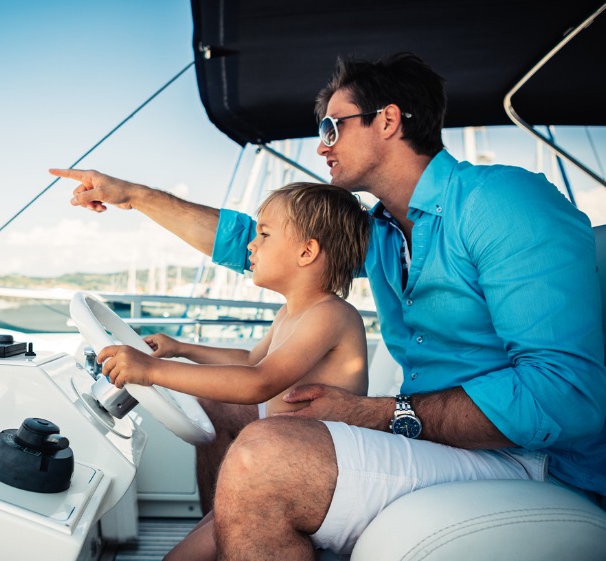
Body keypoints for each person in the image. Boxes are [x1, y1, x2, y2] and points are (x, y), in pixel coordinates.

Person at [51, 52, 606, 560]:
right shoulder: (388, 234)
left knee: (264, 454)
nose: (322, 145)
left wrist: (381, 414)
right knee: (223, 413)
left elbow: (569, 394)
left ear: (388, 121)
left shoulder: (501, 203)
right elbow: (253, 244)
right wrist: (133, 196)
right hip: (449, 441)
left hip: (534, 460)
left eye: (332, 127)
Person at [94, 182, 370, 560]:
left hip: (309, 474)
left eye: (264, 234)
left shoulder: (329, 315)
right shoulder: (293, 311)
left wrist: (152, 371)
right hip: (283, 461)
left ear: (307, 252)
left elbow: (259, 383)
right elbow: (253, 362)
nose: (251, 245)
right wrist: (181, 349)